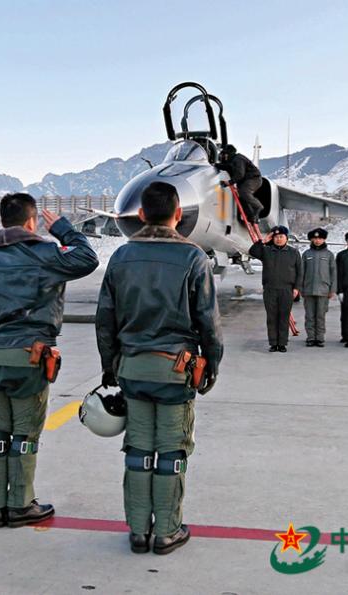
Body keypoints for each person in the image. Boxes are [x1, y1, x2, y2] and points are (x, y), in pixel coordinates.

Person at [96, 181, 223, 555]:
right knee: (171, 451)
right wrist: (212, 364)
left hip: (132, 370)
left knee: (137, 449)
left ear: (140, 215)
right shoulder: (193, 257)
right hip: (174, 372)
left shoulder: (121, 257)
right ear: (178, 214)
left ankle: (138, 530)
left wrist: (110, 368)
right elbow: (208, 322)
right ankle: (166, 531)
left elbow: (105, 319)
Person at [0, 193, 98, 529]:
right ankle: (20, 504)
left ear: (2, 222)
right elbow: (87, 258)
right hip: (30, 358)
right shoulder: (46, 254)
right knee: (24, 433)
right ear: (32, 221)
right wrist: (64, 229)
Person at [249, 225, 303, 352]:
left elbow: (300, 272)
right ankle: (273, 343)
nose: (278, 239)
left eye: (281, 237)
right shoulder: (267, 251)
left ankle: (282, 343)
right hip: (270, 289)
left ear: (286, 238)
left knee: (283, 317)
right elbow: (253, 251)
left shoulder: (293, 252)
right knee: (272, 317)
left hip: (287, 289)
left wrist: (296, 288)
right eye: (276, 237)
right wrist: (263, 241)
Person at [301, 227, 336, 347]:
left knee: (320, 316)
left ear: (324, 239)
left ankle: (320, 338)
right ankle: (310, 337)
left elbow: (333, 273)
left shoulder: (329, 255)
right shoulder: (306, 254)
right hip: (309, 290)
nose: (317, 241)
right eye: (315, 238)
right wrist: (301, 288)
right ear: (311, 239)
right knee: (309, 315)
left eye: (320, 238)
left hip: (323, 290)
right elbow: (302, 272)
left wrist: (332, 289)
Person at [217, 144, 264, 224]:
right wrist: (216, 165)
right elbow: (228, 167)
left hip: (253, 179)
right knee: (242, 197)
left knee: (244, 192)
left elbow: (240, 174)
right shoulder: (233, 161)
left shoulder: (238, 159)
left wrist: (229, 182)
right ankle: (251, 216)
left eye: (225, 154)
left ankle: (257, 206)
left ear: (228, 154)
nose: (224, 157)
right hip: (245, 180)